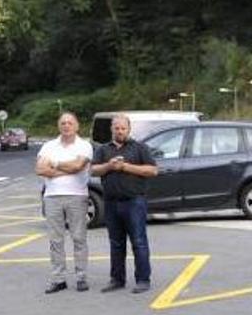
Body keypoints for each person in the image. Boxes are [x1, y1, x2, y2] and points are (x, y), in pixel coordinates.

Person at [92, 113, 159, 294]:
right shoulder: (103, 149)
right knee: (116, 243)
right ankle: (117, 279)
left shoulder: (139, 148)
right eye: (116, 128)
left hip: (134, 202)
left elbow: (152, 170)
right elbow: (93, 170)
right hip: (111, 203)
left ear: (129, 129)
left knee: (139, 242)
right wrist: (109, 166)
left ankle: (143, 279)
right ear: (111, 129)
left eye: (123, 128)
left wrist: (126, 167)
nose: (119, 131)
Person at [36, 112, 94, 293]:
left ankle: (81, 277)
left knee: (79, 238)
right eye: (63, 123)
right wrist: (68, 168)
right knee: (55, 240)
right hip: (52, 196)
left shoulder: (84, 146)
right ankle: (58, 278)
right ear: (58, 126)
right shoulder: (48, 146)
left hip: (77, 195)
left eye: (70, 123)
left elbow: (78, 167)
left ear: (77, 126)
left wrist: (53, 164)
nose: (66, 126)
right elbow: (39, 169)